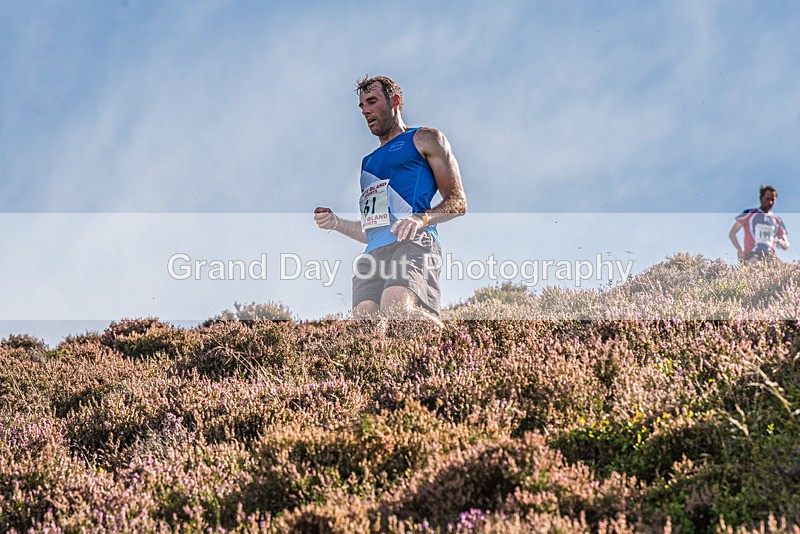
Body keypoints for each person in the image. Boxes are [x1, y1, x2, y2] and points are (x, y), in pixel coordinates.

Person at [314, 75, 467, 326]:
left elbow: (458, 201)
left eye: (372, 101)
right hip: (374, 252)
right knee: (366, 326)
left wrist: (420, 219)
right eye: (362, 105)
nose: (365, 110)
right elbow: (373, 232)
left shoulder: (425, 138)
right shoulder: (368, 163)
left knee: (397, 310)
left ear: (395, 101)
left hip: (414, 242)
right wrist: (335, 223)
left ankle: (453, 344)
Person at [728, 185, 790, 262]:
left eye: (772, 200)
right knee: (755, 264)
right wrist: (739, 250)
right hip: (752, 254)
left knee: (783, 268)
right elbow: (732, 233)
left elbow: (786, 243)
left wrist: (783, 243)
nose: (770, 202)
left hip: (770, 255)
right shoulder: (749, 214)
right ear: (761, 198)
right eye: (767, 199)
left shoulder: (777, 220)